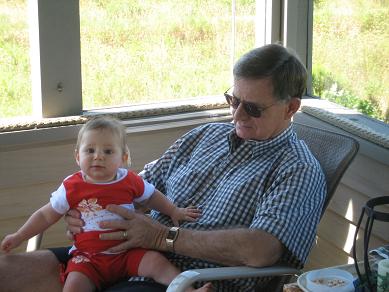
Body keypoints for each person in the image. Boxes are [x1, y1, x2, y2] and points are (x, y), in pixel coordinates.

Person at [0, 43, 326, 291]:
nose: (236, 116)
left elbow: (261, 250)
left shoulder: (297, 170)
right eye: (233, 100)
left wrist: (162, 237)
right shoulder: (206, 135)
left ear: (291, 107)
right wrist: (92, 206)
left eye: (252, 108)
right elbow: (139, 182)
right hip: (109, 253)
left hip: (182, 280)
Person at [0, 116, 211, 292]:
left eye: (108, 151)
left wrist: (173, 210)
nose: (98, 156)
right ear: (77, 156)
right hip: (88, 259)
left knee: (156, 263)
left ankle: (189, 290)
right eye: (89, 150)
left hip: (127, 252)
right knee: (73, 286)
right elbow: (46, 215)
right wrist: (20, 236)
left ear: (124, 157)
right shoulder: (72, 186)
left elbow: (151, 196)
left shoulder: (129, 180)